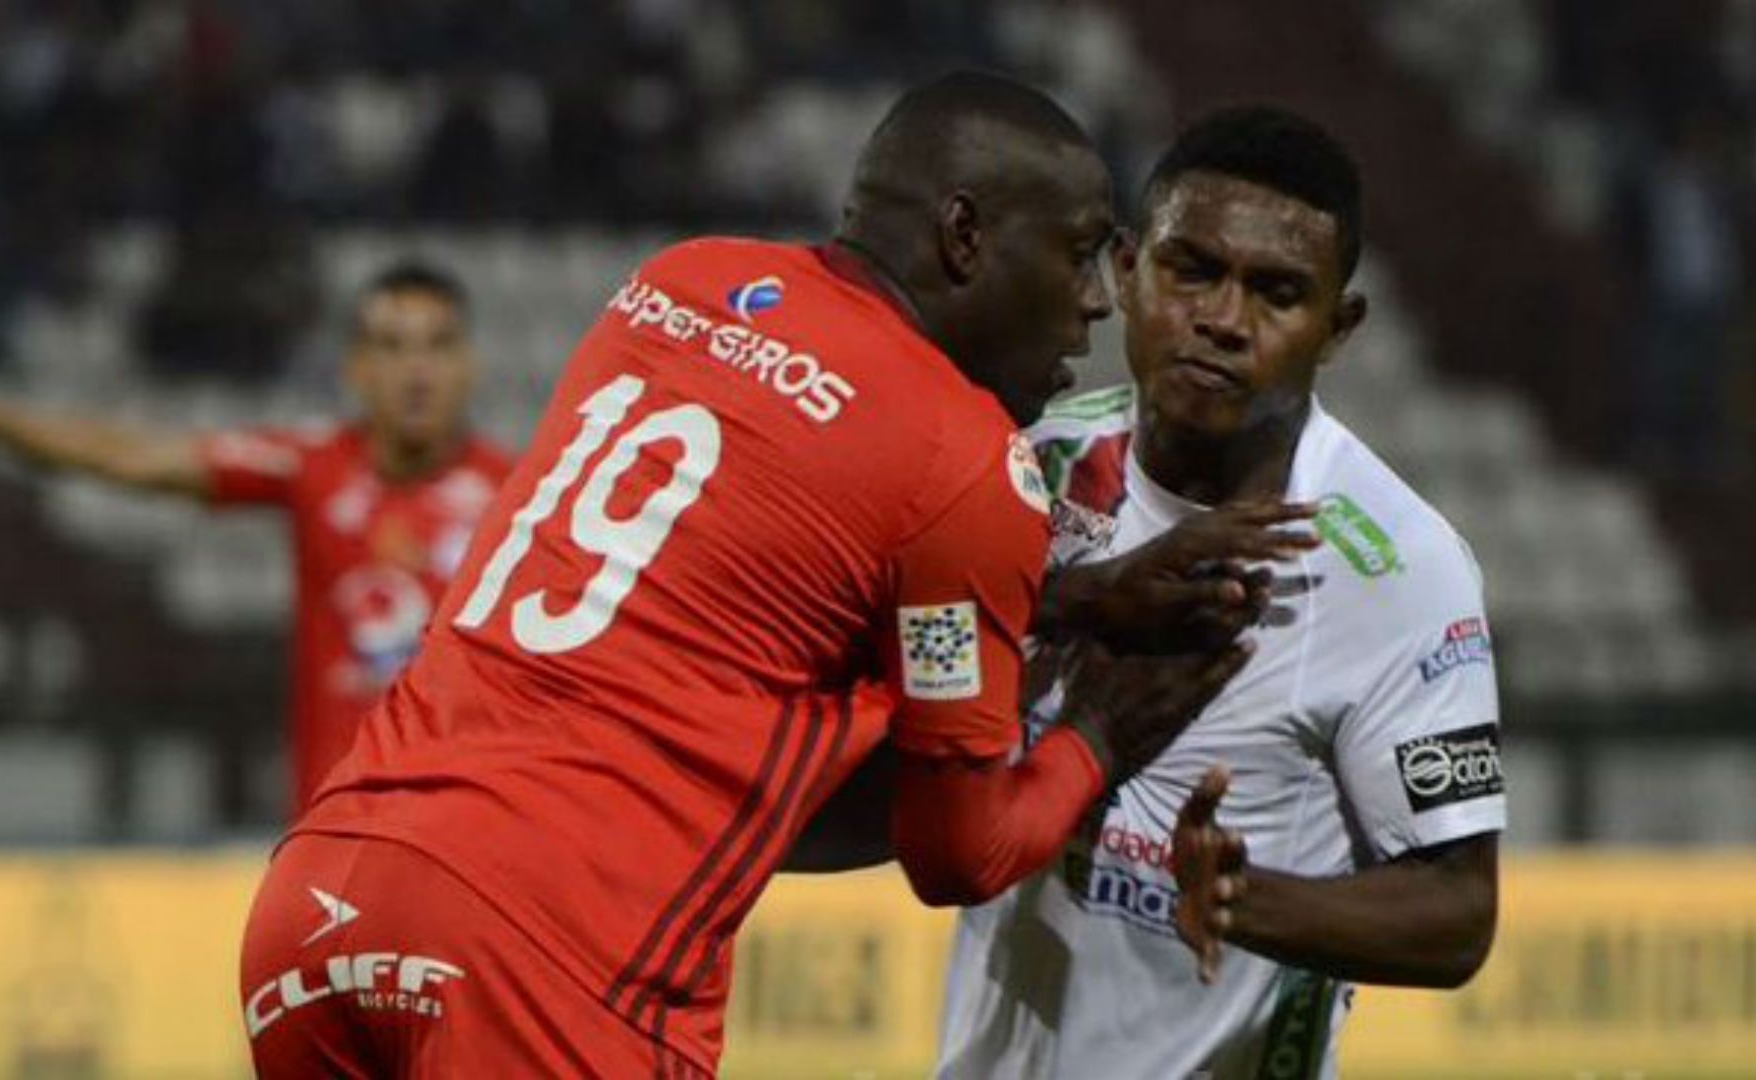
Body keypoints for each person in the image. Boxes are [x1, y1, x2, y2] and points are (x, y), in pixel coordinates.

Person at [237, 72, 1279, 1078]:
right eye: (1079, 256)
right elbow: (956, 851)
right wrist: (1097, 736)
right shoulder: (966, 460)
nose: (1096, 305)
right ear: (966, 237)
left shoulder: (681, 283)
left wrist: (1071, 595)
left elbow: (757, 559)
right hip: (544, 949)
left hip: (323, 894)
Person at [937, 105, 1504, 1080]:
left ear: (1339, 326)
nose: (1224, 321)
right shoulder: (1031, 470)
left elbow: (1457, 914)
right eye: (1191, 269)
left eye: (1277, 293)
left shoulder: (1396, 567)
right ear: (1126, 268)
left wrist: (1245, 899)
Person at [0, 262, 511, 816]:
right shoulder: (314, 465)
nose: (417, 371)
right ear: (357, 369)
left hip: (458, 831)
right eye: (392, 346)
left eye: (439, 345)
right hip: (334, 827)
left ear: (469, 367)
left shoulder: (518, 498)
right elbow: (134, 456)